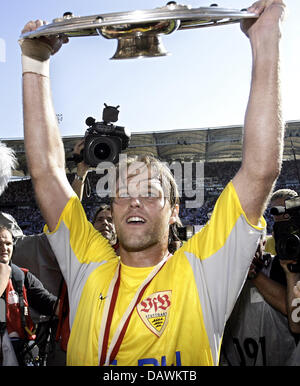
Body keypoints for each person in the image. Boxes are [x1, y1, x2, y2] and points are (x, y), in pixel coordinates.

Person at [20, 0, 285, 366]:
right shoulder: (87, 262)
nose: (134, 202)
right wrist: (35, 63)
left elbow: (260, 169)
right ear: (111, 208)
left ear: (175, 211)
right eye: (123, 193)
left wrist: (266, 39)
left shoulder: (204, 271)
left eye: (149, 193)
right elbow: (48, 173)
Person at [219, 230, 297, 366]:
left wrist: (254, 275)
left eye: (252, 242)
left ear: (263, 243)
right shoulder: (223, 273)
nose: (246, 249)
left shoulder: (280, 266)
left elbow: (291, 311)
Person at [0, 225, 58, 366]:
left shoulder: (21, 275)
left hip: (20, 349)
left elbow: (46, 301)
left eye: (8, 244)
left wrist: (70, 306)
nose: (4, 248)